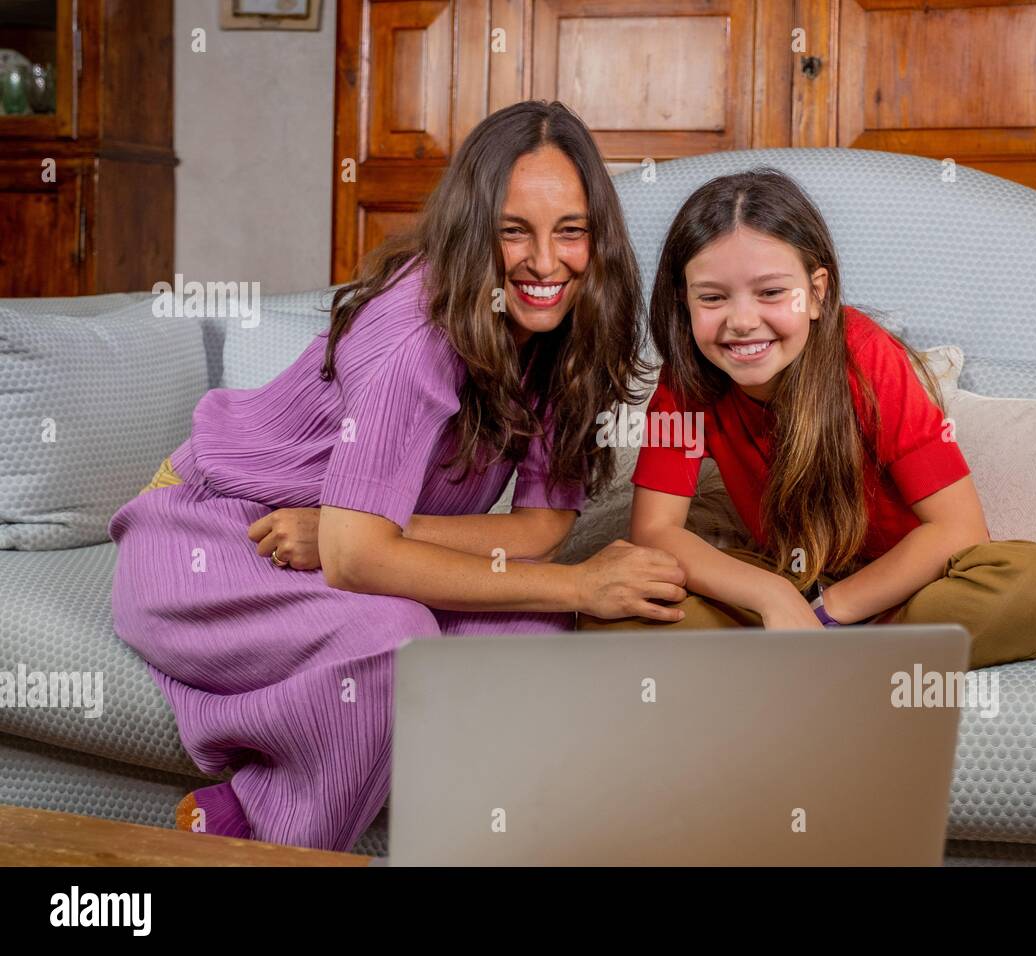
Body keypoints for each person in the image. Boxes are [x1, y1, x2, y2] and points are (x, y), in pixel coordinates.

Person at [109, 101, 687, 852]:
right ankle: (266, 833)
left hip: (321, 539)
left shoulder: (568, 329)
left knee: (532, 631)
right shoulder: (417, 329)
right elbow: (358, 560)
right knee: (398, 637)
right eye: (514, 230)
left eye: (570, 230)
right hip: (212, 531)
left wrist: (369, 530)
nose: (547, 263)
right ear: (472, 229)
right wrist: (580, 583)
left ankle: (257, 817)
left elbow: (538, 529)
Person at [579, 167, 1036, 669]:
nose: (742, 320)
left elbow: (957, 529)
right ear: (683, 303)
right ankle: (830, 653)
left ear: (817, 293)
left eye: (771, 293)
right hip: (787, 582)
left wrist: (829, 614)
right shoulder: (685, 380)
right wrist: (772, 595)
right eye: (712, 297)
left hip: (904, 591)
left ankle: (815, 653)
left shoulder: (867, 358)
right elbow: (656, 532)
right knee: (615, 617)